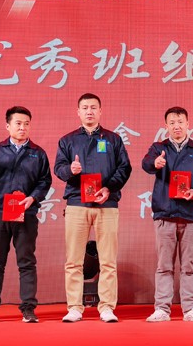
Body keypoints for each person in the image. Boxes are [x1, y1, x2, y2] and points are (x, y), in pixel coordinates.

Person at [54, 93, 132, 323]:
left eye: (93, 107)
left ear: (100, 111)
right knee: (74, 260)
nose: (89, 111)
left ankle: (106, 307)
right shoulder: (67, 140)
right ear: (78, 112)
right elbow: (58, 168)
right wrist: (71, 171)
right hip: (77, 204)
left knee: (108, 260)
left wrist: (109, 188)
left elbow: (124, 168)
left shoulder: (113, 139)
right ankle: (74, 307)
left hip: (106, 204)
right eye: (85, 108)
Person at [0, 106, 52, 324]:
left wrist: (33, 198)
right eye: (18, 123)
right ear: (7, 126)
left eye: (26, 123)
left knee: (26, 262)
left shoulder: (38, 153)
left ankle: (28, 309)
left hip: (26, 212)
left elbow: (45, 181)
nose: (22, 127)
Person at [141, 107, 193, 323]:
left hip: (191, 215)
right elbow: (145, 164)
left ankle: (190, 308)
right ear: (166, 126)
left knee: (189, 266)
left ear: (188, 124)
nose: (177, 126)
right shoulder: (159, 148)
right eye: (172, 122)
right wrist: (155, 164)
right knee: (164, 265)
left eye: (180, 122)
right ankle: (162, 309)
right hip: (165, 214)